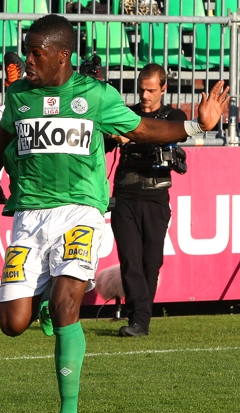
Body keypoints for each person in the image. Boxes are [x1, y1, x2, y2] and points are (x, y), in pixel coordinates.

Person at [0, 14, 228, 413]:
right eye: (26, 52)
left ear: (62, 56)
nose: (27, 61)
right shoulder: (20, 93)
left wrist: (194, 126)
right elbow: (5, 136)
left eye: (36, 53)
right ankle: (40, 300)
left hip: (81, 212)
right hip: (28, 217)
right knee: (12, 323)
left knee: (66, 308)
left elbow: (144, 128)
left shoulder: (95, 96)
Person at [106, 64, 187, 337]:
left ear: (164, 88)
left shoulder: (173, 116)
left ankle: (141, 317)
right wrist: (111, 134)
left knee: (151, 262)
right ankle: (138, 320)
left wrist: (131, 138)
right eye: (142, 89)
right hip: (125, 195)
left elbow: (173, 136)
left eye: (151, 90)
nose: (145, 95)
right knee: (130, 259)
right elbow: (105, 143)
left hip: (155, 196)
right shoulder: (126, 114)